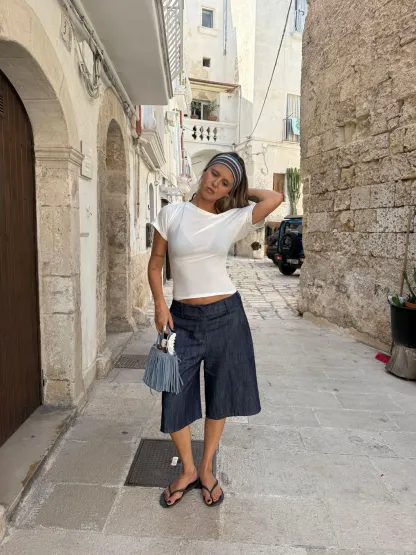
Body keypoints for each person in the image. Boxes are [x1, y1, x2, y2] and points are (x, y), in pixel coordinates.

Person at [148, 152, 283, 508]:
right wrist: (160, 304)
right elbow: (156, 262)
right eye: (214, 174)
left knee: (220, 395)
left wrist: (239, 191)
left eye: (225, 183)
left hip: (227, 317)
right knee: (173, 393)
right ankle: (188, 469)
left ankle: (206, 469)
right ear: (204, 170)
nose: (215, 184)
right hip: (181, 319)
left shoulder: (232, 218)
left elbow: (275, 198)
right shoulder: (172, 213)